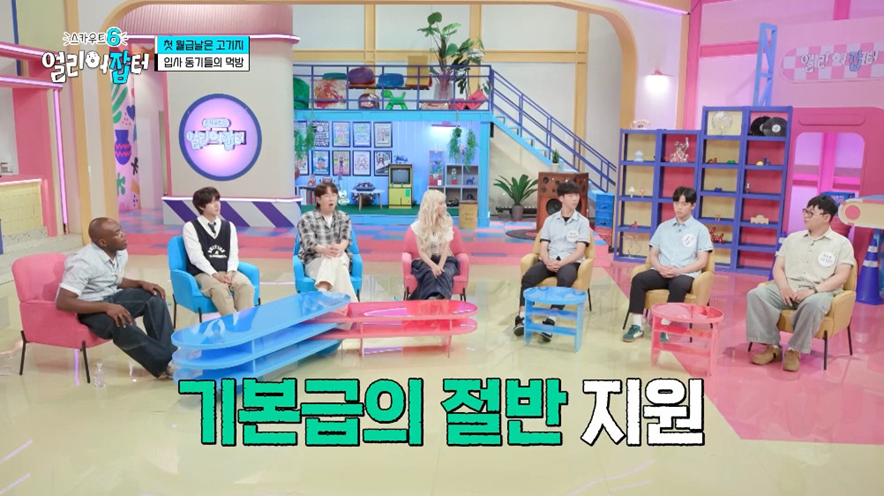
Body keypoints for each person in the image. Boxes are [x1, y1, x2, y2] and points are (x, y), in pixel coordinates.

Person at [55, 217, 177, 379]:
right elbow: (63, 302)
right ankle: (165, 364)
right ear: (103, 242)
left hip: (111, 298)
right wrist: (107, 307)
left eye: (121, 230)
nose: (123, 235)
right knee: (121, 321)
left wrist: (140, 283)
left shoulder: (120, 253)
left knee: (153, 296)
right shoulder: (83, 262)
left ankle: (172, 359)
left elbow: (113, 280)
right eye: (117, 233)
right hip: (90, 309)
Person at [746, 195, 855, 372]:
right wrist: (784, 287)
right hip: (788, 288)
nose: (805, 215)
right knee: (756, 295)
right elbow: (778, 267)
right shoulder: (792, 238)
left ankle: (794, 350)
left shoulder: (842, 244)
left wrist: (813, 291)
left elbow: (842, 276)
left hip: (819, 291)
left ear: (826, 217)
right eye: (805, 211)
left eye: (811, 213)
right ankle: (772, 347)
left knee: (814, 305)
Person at [622, 187, 713, 343]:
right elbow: (653, 254)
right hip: (661, 271)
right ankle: (637, 326)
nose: (679, 207)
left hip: (685, 273)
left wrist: (678, 271)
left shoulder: (700, 230)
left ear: (693, 205)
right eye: (676, 203)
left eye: (684, 204)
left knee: (678, 285)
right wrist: (659, 268)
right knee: (639, 279)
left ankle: (663, 327)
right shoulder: (663, 227)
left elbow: (702, 261)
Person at [513, 181, 591, 342]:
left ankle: (550, 320)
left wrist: (561, 263)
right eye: (571, 196)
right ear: (561, 198)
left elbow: (580, 251)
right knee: (528, 277)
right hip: (549, 260)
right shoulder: (550, 220)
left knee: (565, 279)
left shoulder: (582, 222)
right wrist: (547, 261)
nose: (575, 199)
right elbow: (543, 246)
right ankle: (522, 317)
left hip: (570, 262)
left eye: (577, 195)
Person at [182, 187, 254, 316]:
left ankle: (245, 324)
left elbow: (233, 253)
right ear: (201, 206)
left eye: (217, 200)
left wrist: (230, 272)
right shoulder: (190, 227)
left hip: (227, 271)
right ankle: (232, 325)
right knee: (219, 289)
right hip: (204, 273)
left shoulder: (229, 226)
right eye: (211, 202)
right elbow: (196, 257)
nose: (217, 205)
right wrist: (215, 274)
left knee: (245, 285)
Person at [297, 182, 359, 302]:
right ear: (318, 199)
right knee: (340, 270)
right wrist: (323, 250)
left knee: (335, 257)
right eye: (327, 196)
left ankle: (323, 291)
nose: (331, 199)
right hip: (315, 260)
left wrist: (340, 247)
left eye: (334, 195)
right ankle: (352, 306)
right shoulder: (306, 218)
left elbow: (346, 238)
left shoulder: (343, 217)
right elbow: (308, 242)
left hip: (340, 255)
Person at [408, 189, 460, 300]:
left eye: (444, 203)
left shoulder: (448, 221)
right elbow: (421, 252)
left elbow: (446, 248)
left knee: (444, 274)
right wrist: (433, 266)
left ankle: (438, 301)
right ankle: (429, 302)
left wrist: (439, 266)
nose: (445, 206)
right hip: (426, 260)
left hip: (445, 259)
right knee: (429, 274)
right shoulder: (418, 225)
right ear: (431, 206)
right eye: (440, 203)